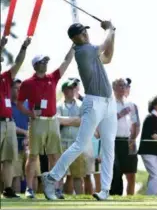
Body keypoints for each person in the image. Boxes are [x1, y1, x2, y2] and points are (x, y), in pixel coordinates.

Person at [41, 21, 117, 201]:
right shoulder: (83, 51)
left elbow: (108, 56)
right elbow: (104, 45)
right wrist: (109, 30)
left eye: (85, 32)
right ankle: (51, 178)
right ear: (76, 38)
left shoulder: (90, 51)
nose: (86, 35)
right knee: (80, 144)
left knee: (109, 147)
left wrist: (112, 33)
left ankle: (105, 190)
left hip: (108, 102)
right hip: (93, 102)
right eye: (83, 33)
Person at [17, 45, 74, 199]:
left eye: (46, 62)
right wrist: (30, 113)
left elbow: (66, 62)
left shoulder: (52, 77)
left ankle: (55, 189)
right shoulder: (27, 83)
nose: (45, 64)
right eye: (42, 62)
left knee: (54, 156)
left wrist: (73, 46)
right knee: (33, 156)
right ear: (35, 65)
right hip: (37, 122)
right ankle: (29, 189)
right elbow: (19, 103)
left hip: (53, 121)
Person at [0, 36, 31, 198]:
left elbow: (17, 63)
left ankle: (8, 189)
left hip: (9, 123)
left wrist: (23, 48)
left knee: (9, 158)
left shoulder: (5, 78)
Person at [10, 79, 41, 194]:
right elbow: (9, 124)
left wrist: (28, 138)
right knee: (16, 175)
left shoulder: (27, 104)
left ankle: (35, 200)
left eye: (20, 88)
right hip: (13, 144)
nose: (19, 91)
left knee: (34, 174)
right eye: (16, 88)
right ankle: (17, 200)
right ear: (10, 89)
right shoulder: (6, 104)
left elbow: (33, 122)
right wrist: (25, 133)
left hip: (30, 144)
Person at [110, 78, 139, 196]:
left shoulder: (131, 104)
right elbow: (106, 121)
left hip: (128, 141)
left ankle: (130, 199)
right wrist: (120, 114)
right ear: (114, 88)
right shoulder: (109, 103)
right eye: (120, 85)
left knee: (130, 172)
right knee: (116, 171)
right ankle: (115, 195)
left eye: (124, 85)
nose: (123, 88)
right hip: (113, 141)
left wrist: (133, 138)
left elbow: (136, 123)